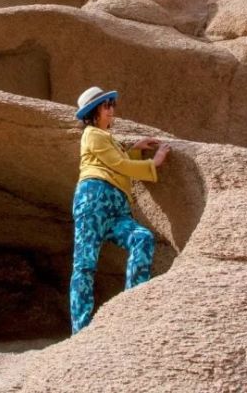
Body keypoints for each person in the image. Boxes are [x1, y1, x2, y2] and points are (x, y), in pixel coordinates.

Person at [69, 86, 170, 334]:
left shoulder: (107, 138)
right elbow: (118, 165)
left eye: (112, 104)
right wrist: (153, 163)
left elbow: (119, 161)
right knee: (85, 265)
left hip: (117, 208)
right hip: (93, 201)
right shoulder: (91, 134)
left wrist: (136, 148)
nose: (112, 110)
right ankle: (80, 331)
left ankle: (131, 312)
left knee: (142, 238)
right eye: (107, 106)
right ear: (93, 112)